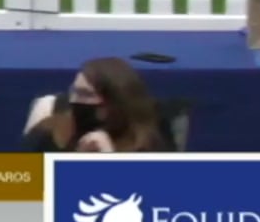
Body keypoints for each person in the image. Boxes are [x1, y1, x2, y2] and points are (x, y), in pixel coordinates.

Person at [21, 56, 170, 153]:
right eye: (74, 91)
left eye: (85, 94)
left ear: (114, 103)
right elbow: (15, 190)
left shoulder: (150, 142)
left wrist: (109, 159)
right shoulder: (48, 133)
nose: (74, 100)